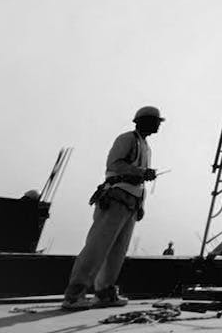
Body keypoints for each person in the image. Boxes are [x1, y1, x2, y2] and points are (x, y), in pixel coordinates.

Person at [61, 105, 162, 310]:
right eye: (155, 121)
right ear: (142, 121)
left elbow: (139, 180)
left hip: (132, 201)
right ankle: (75, 293)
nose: (158, 126)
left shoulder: (146, 146)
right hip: (117, 196)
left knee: (118, 250)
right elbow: (114, 164)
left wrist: (141, 204)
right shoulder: (126, 139)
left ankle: (104, 292)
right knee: (98, 246)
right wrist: (142, 171)